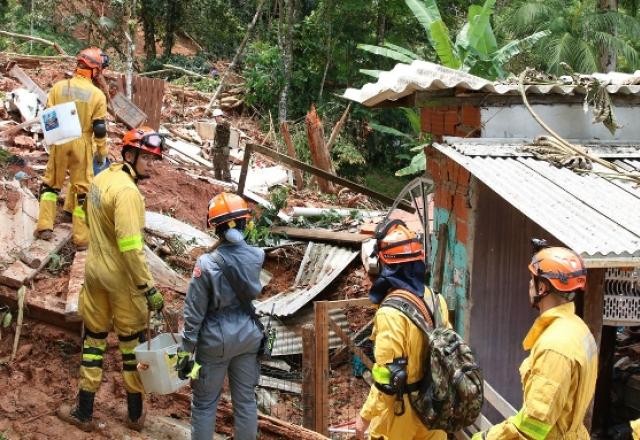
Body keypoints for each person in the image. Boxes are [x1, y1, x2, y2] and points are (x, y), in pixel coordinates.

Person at [56, 127, 166, 432]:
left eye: (153, 159)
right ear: (130, 155)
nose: (151, 165)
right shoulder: (128, 193)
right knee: (132, 346)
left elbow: (84, 214)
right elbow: (131, 249)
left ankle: (84, 411)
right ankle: (133, 415)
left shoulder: (101, 179)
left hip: (94, 274)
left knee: (94, 341)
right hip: (122, 280)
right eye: (147, 158)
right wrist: (149, 288)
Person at [473, 244, 598, 439]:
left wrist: (486, 437)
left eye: (532, 279)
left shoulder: (554, 347)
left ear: (542, 287)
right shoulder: (579, 329)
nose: (529, 284)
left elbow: (533, 426)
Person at [177, 192, 265, 440]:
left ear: (216, 228)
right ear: (243, 223)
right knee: (246, 402)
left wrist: (185, 352)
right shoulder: (257, 256)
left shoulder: (205, 264)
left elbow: (194, 314)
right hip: (248, 336)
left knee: (204, 404)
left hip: (215, 341)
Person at [355, 221, 449, 440]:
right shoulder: (436, 300)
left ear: (384, 266)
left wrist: (365, 417)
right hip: (433, 409)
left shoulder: (390, 313)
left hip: (401, 415)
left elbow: (388, 377)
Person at [36, 46, 109, 248]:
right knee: (83, 191)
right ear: (95, 70)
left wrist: (52, 140)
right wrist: (102, 152)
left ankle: (44, 227)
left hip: (60, 140)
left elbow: (48, 117)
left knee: (51, 185)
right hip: (82, 142)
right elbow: (99, 128)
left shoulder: (58, 87)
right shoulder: (97, 95)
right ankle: (82, 238)